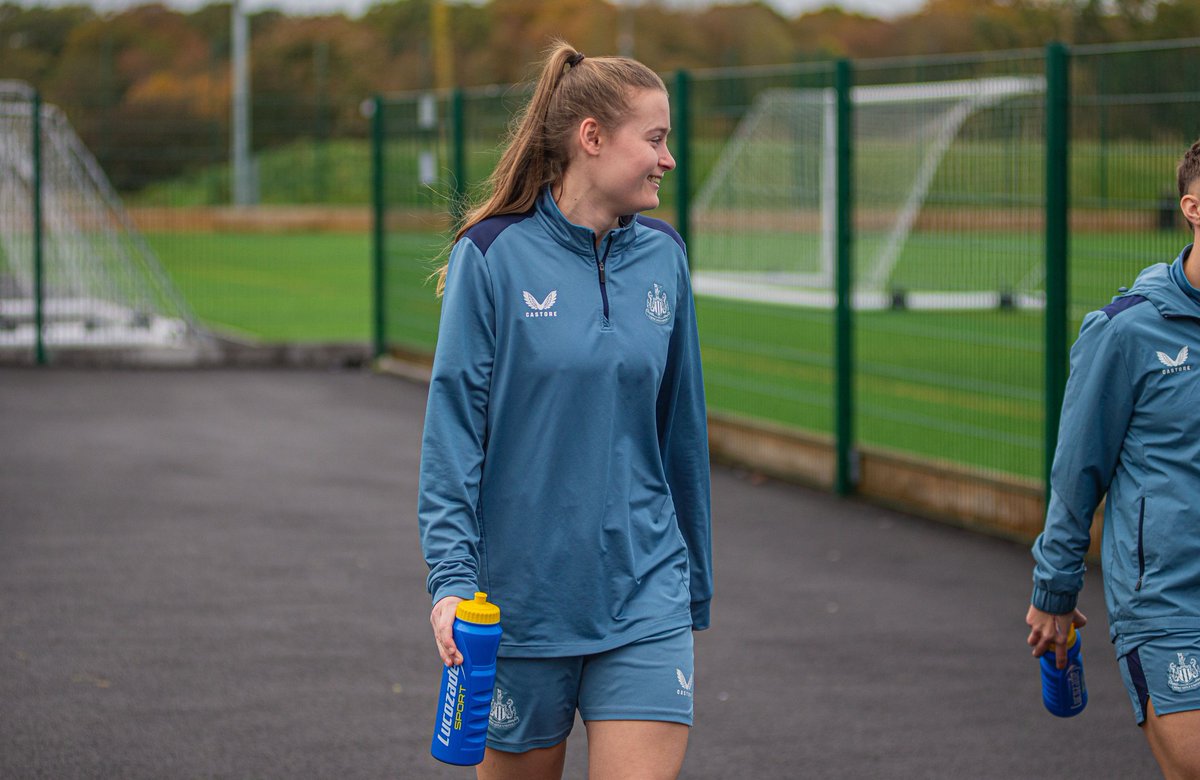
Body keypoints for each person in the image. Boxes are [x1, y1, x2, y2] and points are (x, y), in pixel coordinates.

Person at [418, 40, 712, 780]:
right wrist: (452, 584)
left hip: (646, 596)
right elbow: (454, 435)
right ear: (591, 138)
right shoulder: (490, 255)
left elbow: (682, 430)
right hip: (518, 610)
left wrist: (692, 583)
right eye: (654, 138)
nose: (666, 159)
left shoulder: (666, 256)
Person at [1027, 138, 1200, 777]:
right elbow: (1078, 472)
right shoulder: (1127, 331)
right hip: (1169, 601)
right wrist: (1054, 588)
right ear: (1193, 207)